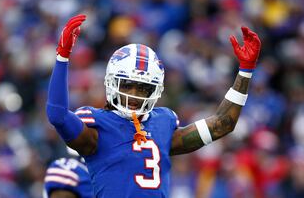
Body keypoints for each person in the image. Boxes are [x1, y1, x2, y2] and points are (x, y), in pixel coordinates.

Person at [46, 14, 261, 197]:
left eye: (143, 88)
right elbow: (58, 115)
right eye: (128, 85)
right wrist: (62, 57)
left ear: (155, 91)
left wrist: (245, 71)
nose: (134, 94)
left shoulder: (163, 123)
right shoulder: (97, 129)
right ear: (112, 82)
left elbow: (223, 124)